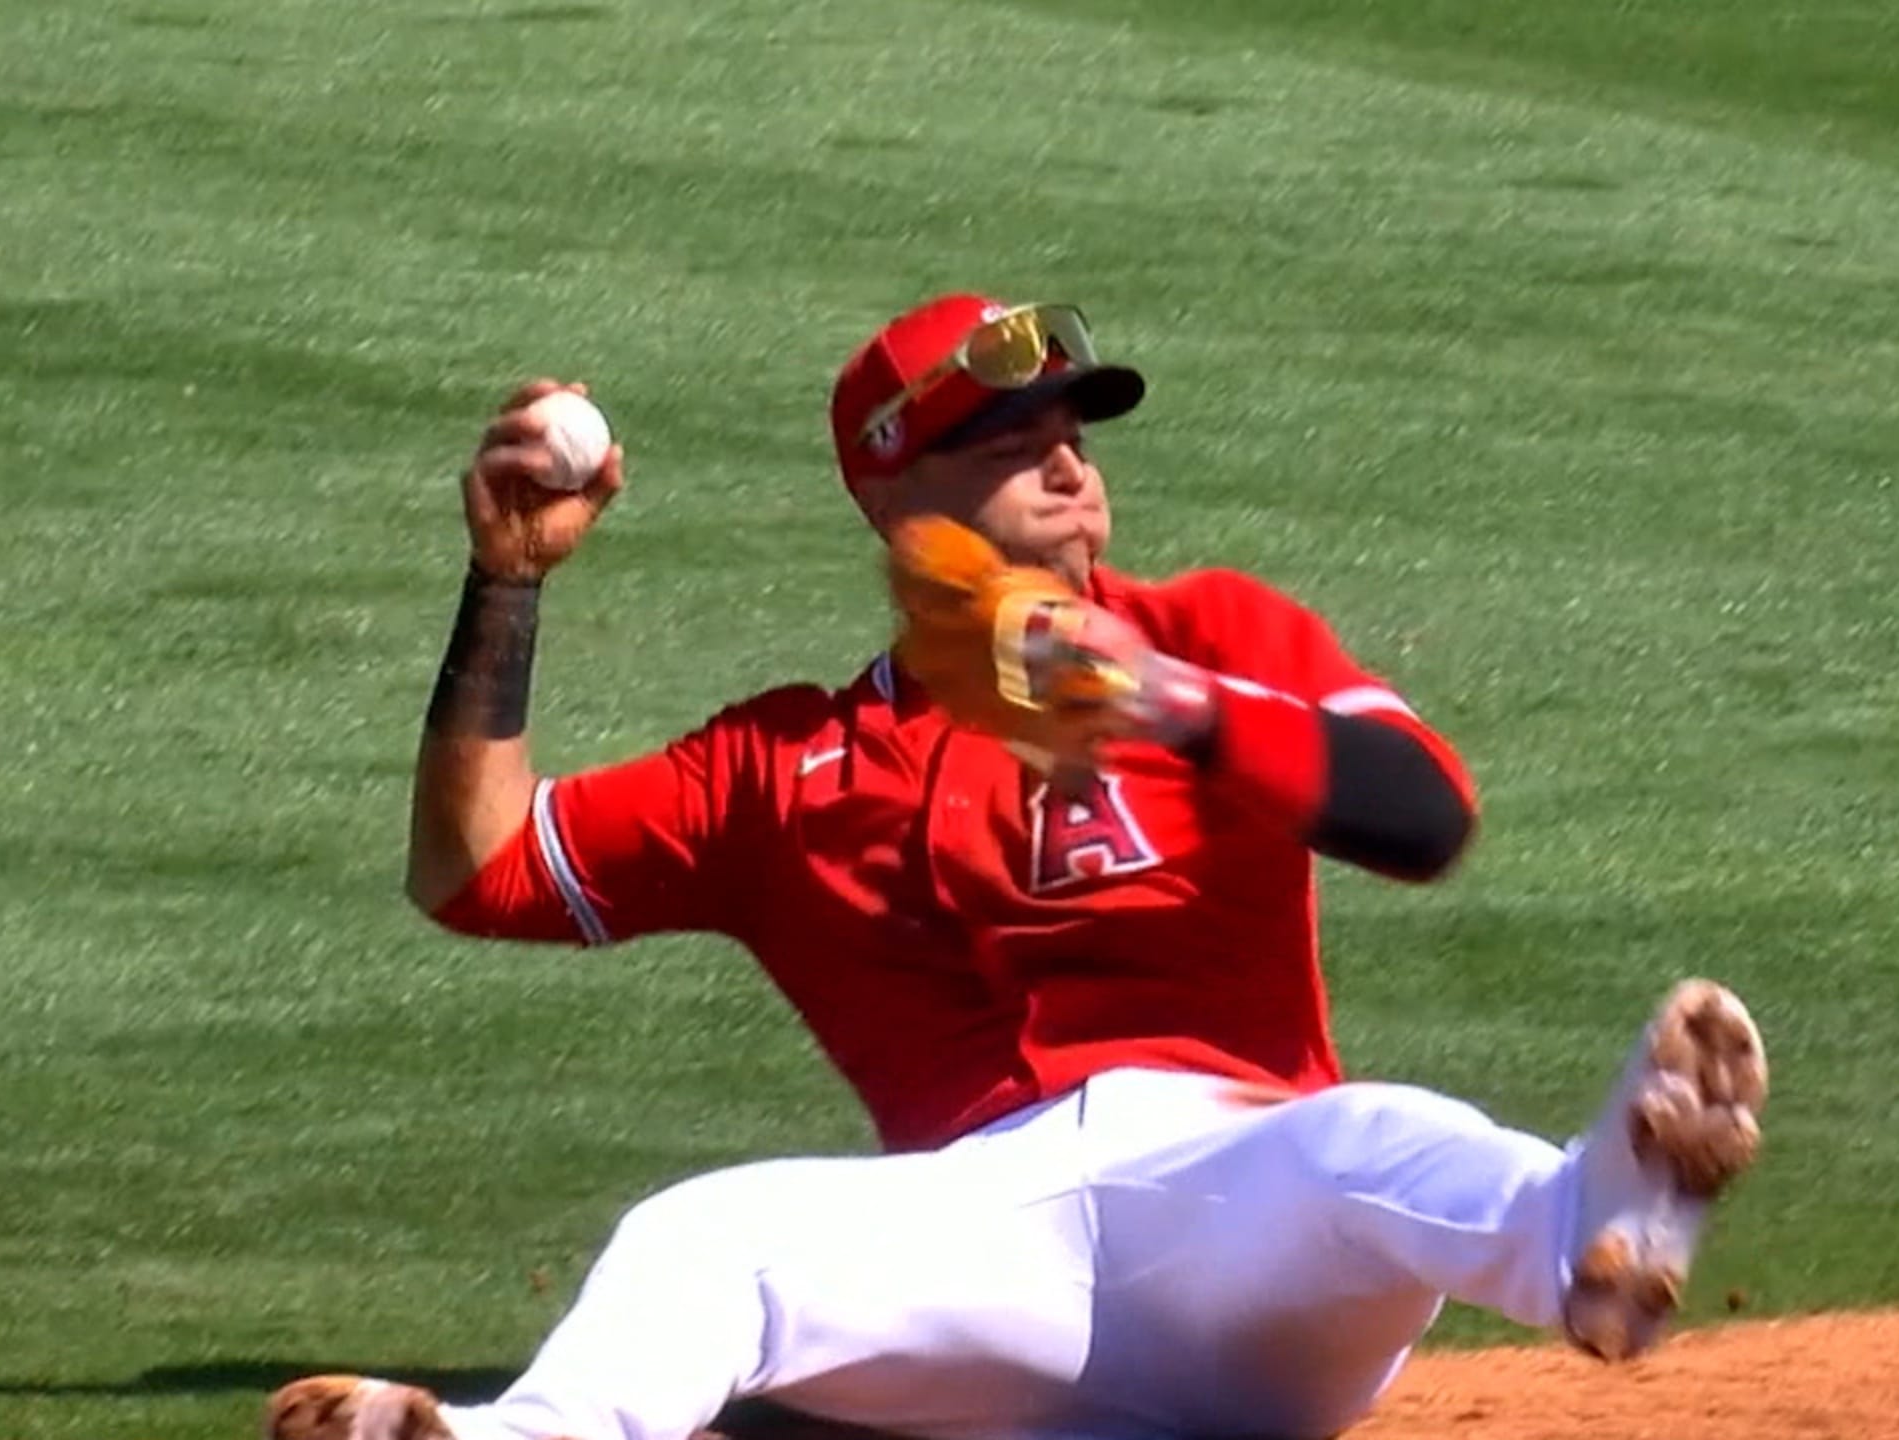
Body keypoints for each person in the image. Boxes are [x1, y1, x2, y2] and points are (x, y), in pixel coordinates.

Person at [265, 295, 1769, 1440]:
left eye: (1077, 430)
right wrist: (506, 584)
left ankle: (1593, 1231)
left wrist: (1161, 700)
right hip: (992, 1259)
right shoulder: (778, 769)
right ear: (888, 488)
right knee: (706, 1235)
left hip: (1243, 1231)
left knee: (1365, 1139)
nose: (1066, 457)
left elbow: (1426, 818)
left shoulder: (1209, 639)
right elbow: (475, 872)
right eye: (1011, 435)